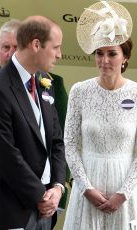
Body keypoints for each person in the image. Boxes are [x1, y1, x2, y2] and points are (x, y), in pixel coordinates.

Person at [0, 15, 66, 230]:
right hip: (12, 211)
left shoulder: (46, 83)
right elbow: (6, 155)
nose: (59, 54)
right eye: (56, 47)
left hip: (47, 211)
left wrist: (57, 188)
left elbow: (57, 141)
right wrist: (40, 196)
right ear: (36, 44)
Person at [63, 1, 137, 230]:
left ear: (125, 58)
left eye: (112, 54)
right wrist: (86, 188)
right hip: (87, 188)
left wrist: (123, 194)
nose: (104, 61)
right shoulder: (80, 91)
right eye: (99, 53)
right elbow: (70, 144)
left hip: (124, 190)